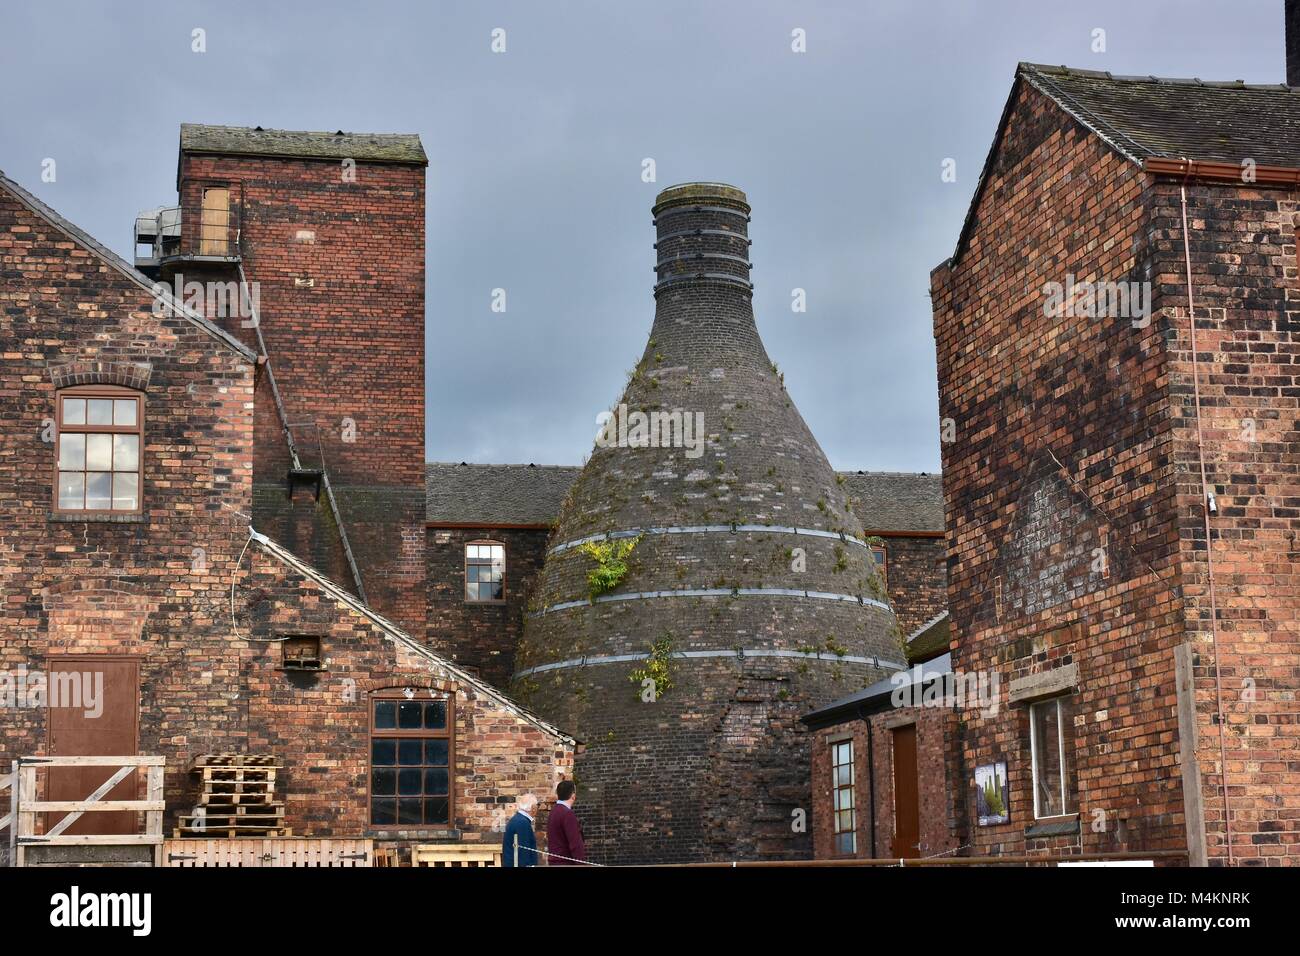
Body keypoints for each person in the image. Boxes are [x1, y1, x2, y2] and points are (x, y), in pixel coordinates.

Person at [545, 779, 586, 865]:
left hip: (555, 862)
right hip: (565, 863)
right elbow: (575, 843)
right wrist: (581, 864)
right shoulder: (567, 814)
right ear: (573, 795)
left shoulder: (553, 811)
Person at [502, 793, 538, 867]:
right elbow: (523, 851)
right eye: (537, 805)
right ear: (533, 808)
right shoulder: (522, 822)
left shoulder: (518, 819)